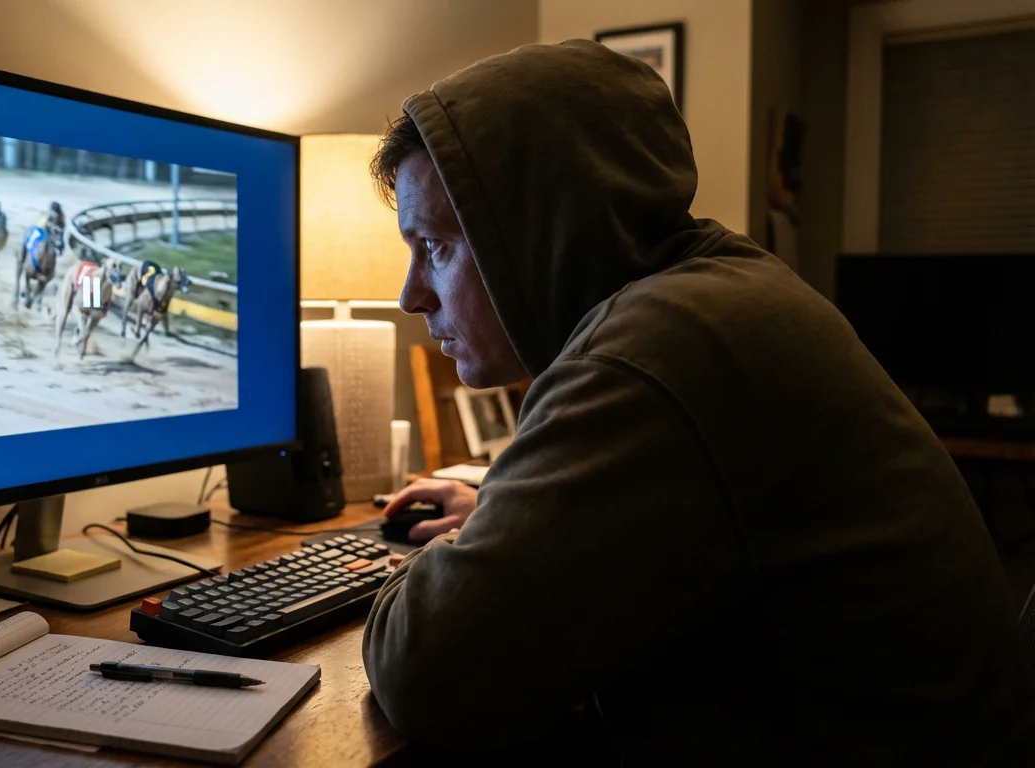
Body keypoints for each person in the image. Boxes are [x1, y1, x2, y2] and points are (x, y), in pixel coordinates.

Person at [363, 40, 1035, 764]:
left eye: (434, 246)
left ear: (535, 229)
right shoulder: (722, 289)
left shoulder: (654, 351)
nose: (410, 296)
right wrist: (507, 518)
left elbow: (428, 670)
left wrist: (449, 557)